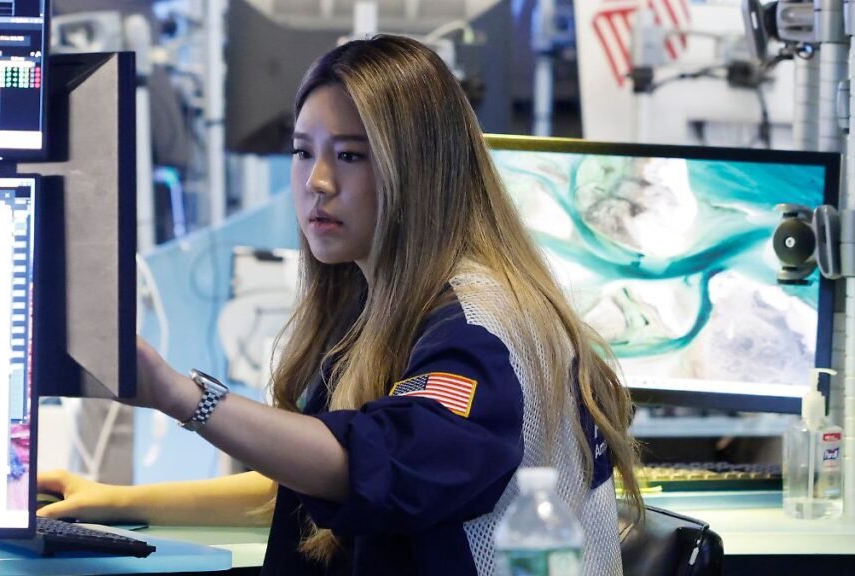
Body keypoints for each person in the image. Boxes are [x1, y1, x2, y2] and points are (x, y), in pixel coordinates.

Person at [39, 34, 642, 575]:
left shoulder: (479, 329)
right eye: (304, 151)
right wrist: (112, 499)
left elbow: (380, 468)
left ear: (423, 170)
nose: (316, 181)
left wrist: (181, 396)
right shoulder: (379, 308)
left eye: (351, 155)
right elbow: (307, 487)